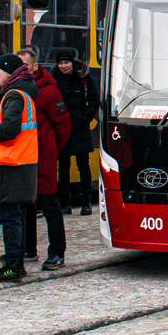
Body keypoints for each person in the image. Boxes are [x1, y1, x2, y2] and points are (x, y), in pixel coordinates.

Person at [0, 54, 39, 283]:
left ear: (8, 71)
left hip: (11, 162)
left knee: (10, 216)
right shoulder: (21, 92)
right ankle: (13, 260)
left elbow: (9, 129)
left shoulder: (14, 95)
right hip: (19, 161)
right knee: (14, 215)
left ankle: (14, 264)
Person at [16, 47, 70, 269]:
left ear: (35, 67)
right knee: (25, 206)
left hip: (43, 158)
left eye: (26, 67)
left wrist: (51, 150)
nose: (23, 72)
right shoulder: (15, 91)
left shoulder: (48, 92)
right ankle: (29, 249)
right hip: (23, 158)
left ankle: (57, 252)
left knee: (50, 207)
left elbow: (64, 126)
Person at [52, 50, 99, 216]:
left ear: (72, 63)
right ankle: (65, 203)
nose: (64, 66)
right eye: (61, 63)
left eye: (66, 63)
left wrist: (83, 119)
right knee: (63, 167)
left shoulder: (83, 78)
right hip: (62, 129)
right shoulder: (54, 80)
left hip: (80, 129)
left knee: (83, 166)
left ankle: (86, 203)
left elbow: (94, 100)